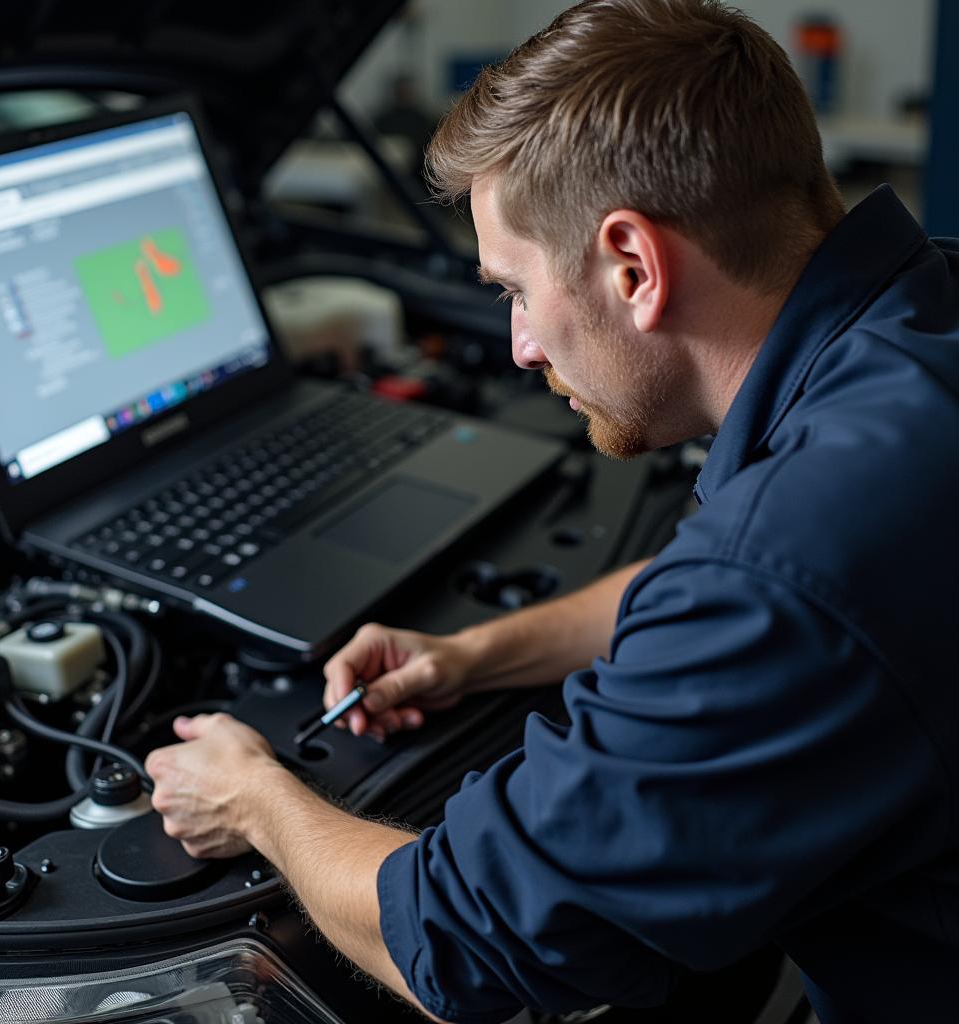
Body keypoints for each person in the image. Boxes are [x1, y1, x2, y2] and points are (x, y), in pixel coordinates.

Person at [145, 1, 959, 1021]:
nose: (521, 345)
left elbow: (466, 940)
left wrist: (255, 799)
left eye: (516, 289)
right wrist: (479, 652)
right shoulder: (916, 328)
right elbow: (756, 592)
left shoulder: (788, 561)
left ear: (633, 266)